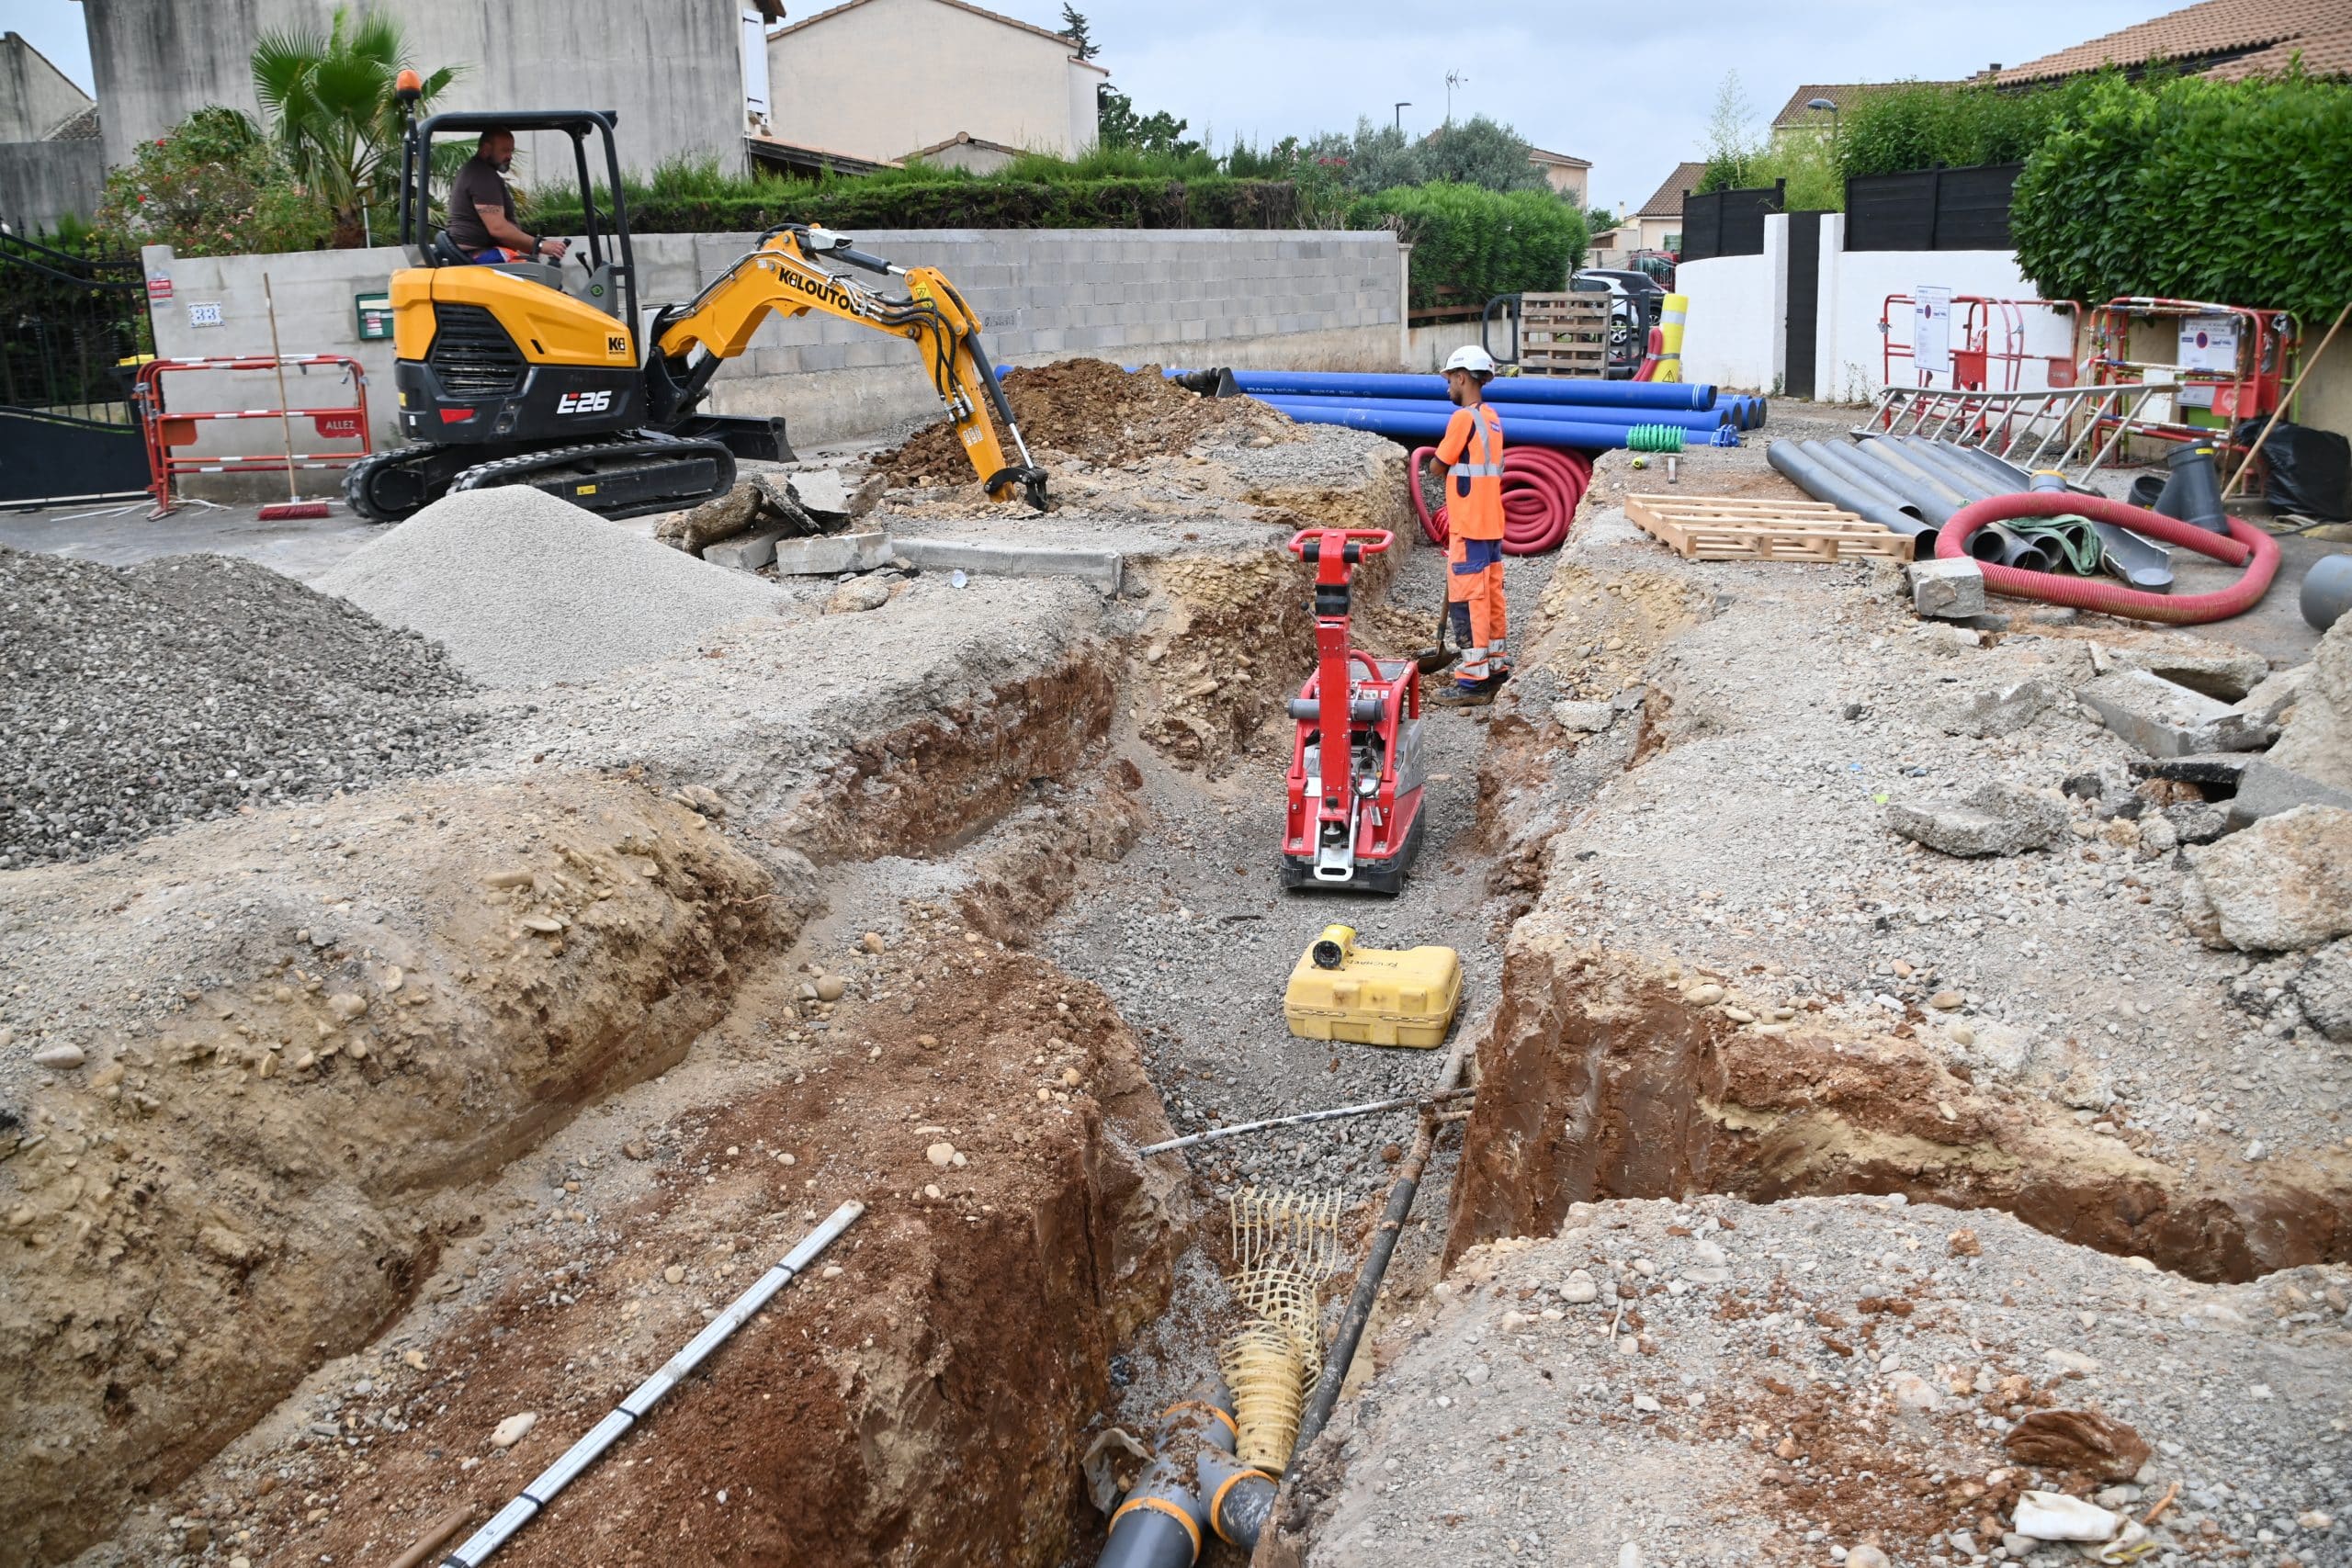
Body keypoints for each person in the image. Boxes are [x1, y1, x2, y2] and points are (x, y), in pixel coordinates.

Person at [1429, 344, 1509, 706]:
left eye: (1449, 380)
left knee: (1468, 602)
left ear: (1462, 377)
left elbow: (1437, 464)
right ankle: (1495, 671)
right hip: (1491, 524)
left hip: (1470, 525)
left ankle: (1472, 684)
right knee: (1491, 598)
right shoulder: (1492, 418)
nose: (1448, 387)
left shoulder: (1463, 419)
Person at [445, 129, 568, 265]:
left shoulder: (475, 171)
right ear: (486, 149)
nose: (509, 156)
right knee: (539, 277)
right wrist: (539, 245)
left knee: (535, 268)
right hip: (478, 256)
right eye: (504, 150)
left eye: (511, 151)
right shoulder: (482, 177)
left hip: (477, 254)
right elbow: (498, 229)